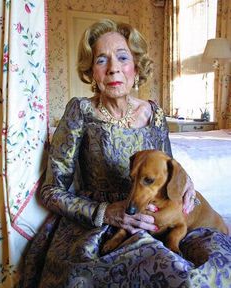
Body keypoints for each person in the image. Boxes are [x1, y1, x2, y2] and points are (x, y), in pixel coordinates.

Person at [23, 19, 231, 287]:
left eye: (122, 57)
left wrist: (186, 181)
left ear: (136, 66)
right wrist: (105, 212)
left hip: (157, 217)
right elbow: (50, 191)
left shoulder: (154, 114)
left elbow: (167, 167)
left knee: (216, 266)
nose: (113, 69)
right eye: (101, 60)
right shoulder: (80, 112)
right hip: (102, 224)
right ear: (92, 72)